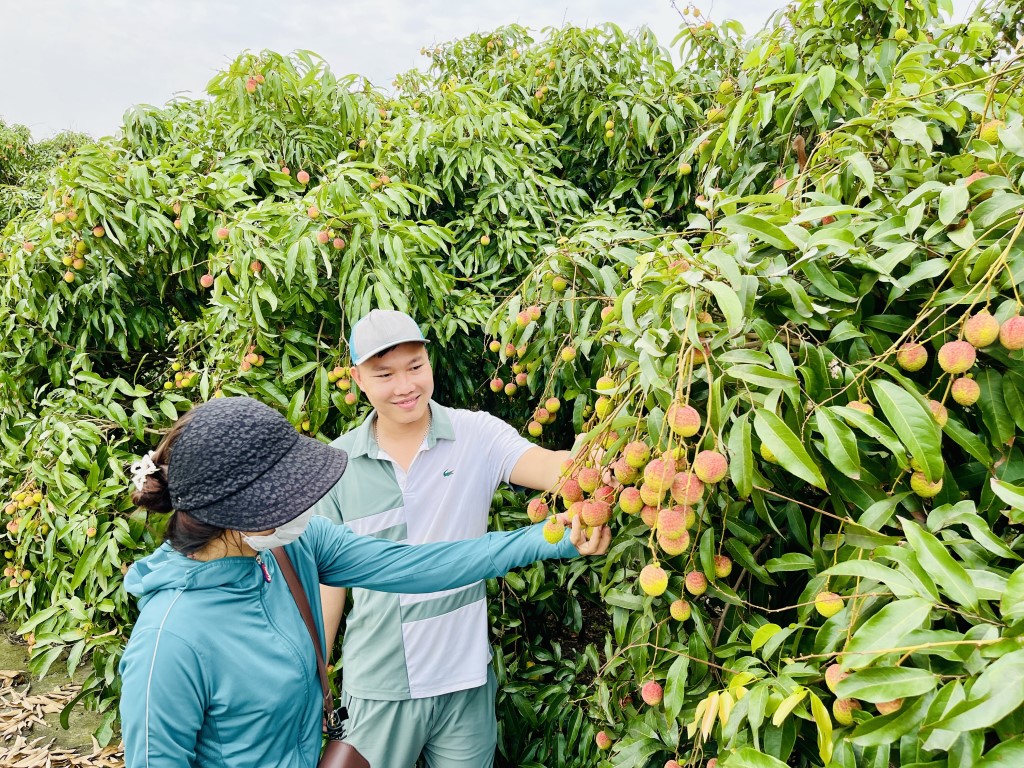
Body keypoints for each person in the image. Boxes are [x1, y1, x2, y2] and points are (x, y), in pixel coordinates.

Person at [118, 395, 609, 768]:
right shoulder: (170, 643)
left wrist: (554, 538)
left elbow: (422, 567)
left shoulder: (292, 549)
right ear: (240, 514)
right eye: (286, 497)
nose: (302, 508)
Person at [314, 309, 602, 768]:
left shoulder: (476, 436)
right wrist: (316, 677)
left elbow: (555, 470)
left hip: (465, 679)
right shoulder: (334, 466)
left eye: (415, 367)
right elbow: (328, 585)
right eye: (384, 373)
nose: (405, 385)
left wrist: (611, 443)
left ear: (430, 363)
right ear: (357, 380)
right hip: (378, 687)